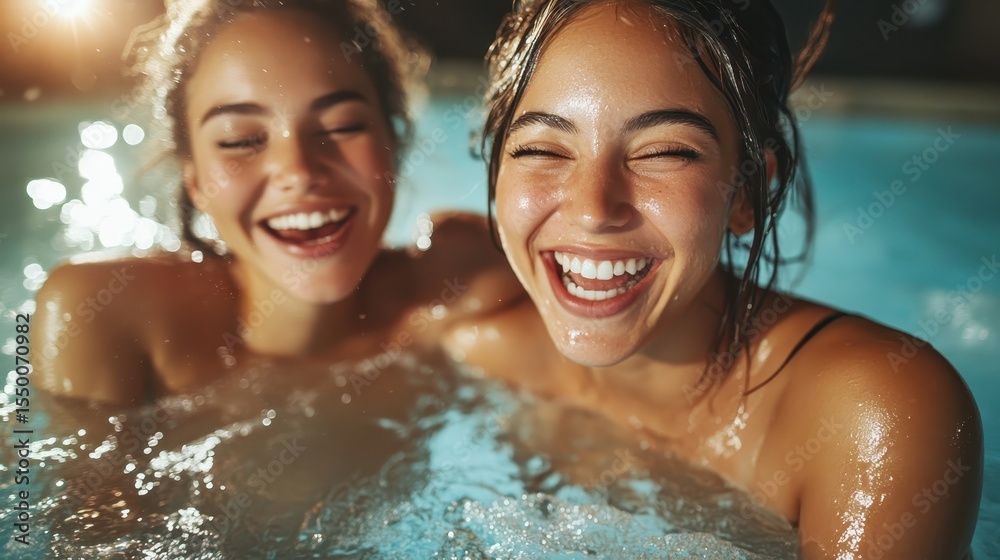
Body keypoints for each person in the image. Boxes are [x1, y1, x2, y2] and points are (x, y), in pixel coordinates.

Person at [454, 0, 984, 557]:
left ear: (748, 192)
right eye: (541, 149)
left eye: (664, 152)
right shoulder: (469, 343)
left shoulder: (875, 415)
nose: (592, 209)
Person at [34, 0, 522, 407]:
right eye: (242, 139)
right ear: (196, 181)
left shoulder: (446, 295)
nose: (299, 171)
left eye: (341, 126)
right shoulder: (105, 316)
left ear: (392, 145)